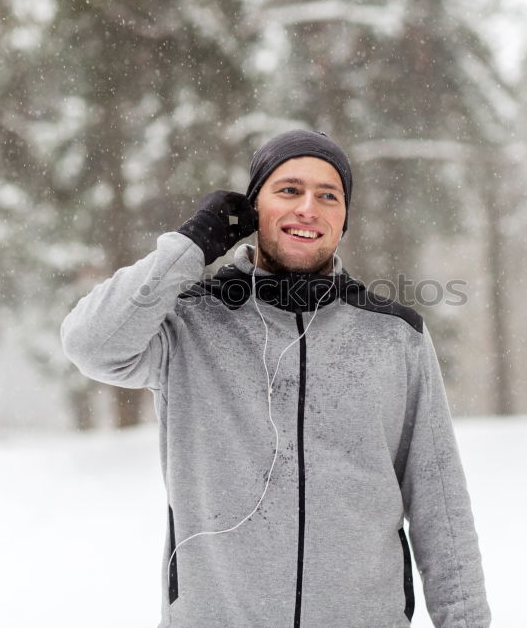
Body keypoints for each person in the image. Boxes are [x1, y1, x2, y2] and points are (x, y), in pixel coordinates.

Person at [60, 129, 490, 627]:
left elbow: (442, 508)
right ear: (253, 208)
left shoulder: (395, 336)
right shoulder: (190, 323)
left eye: (328, 196)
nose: (308, 207)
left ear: (343, 218)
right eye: (288, 190)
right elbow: (91, 345)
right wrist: (191, 245)